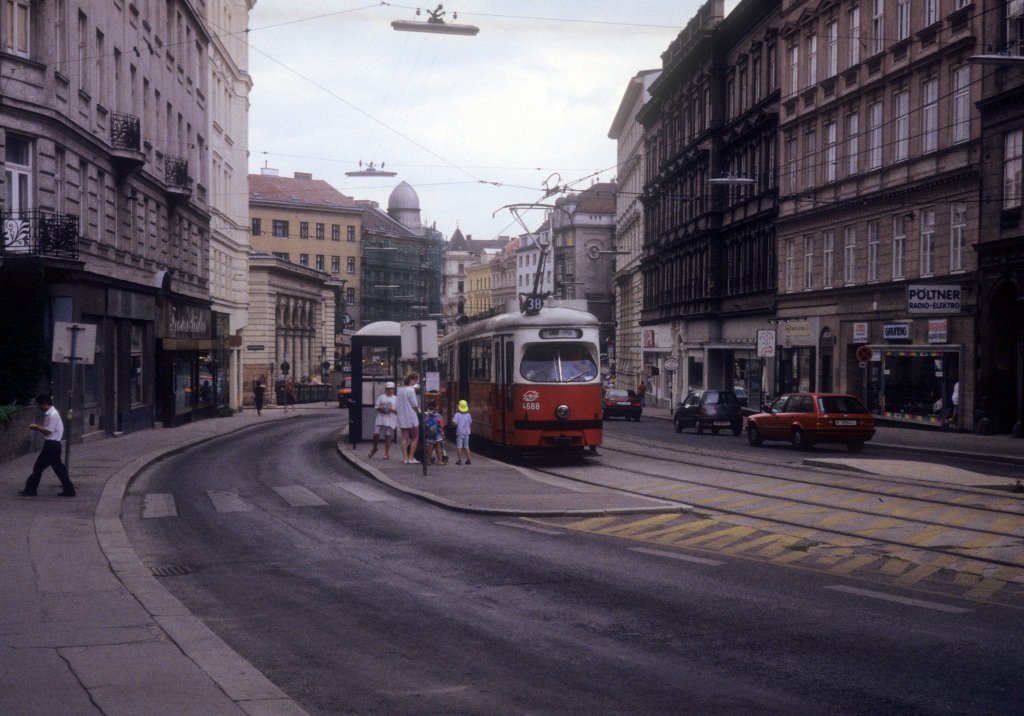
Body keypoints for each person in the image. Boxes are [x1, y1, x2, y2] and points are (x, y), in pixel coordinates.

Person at [19, 394, 76, 497]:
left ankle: (31, 489)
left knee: (38, 467)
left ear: (45, 404)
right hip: (53, 445)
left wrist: (36, 427)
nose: (39, 407)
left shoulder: (52, 415)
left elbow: (49, 431)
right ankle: (69, 490)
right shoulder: (51, 414)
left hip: (51, 445)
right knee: (59, 469)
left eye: (39, 405)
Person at [396, 372, 421, 464]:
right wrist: (418, 411)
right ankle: (411, 458)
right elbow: (414, 404)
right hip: (411, 417)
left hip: (402, 417)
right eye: (415, 381)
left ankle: (405, 458)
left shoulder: (399, 390)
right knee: (415, 437)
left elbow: (397, 404)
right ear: (411, 380)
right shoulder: (411, 390)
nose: (415, 383)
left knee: (404, 437)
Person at [368, 382, 398, 459]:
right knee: (376, 433)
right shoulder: (382, 397)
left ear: (393, 389)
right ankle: (375, 448)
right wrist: (381, 408)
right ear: (385, 389)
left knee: (388, 435)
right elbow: (376, 407)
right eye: (388, 389)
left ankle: (386, 453)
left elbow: (398, 411)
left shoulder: (396, 399)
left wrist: (392, 410)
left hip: (390, 418)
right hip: (381, 417)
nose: (390, 390)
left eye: (391, 389)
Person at [423, 400, 446, 466]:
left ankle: (429, 461)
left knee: (430, 446)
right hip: (438, 433)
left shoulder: (427, 415)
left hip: (430, 433)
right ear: (436, 407)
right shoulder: (438, 416)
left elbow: (425, 424)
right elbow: (441, 426)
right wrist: (443, 434)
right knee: (438, 447)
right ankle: (439, 461)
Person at [452, 399, 472, 466]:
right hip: (467, 432)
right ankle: (469, 459)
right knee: (467, 446)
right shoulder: (468, 415)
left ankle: (459, 460)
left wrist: (454, 424)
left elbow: (455, 423)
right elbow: (470, 422)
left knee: (459, 447)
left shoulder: (457, 415)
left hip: (459, 433)